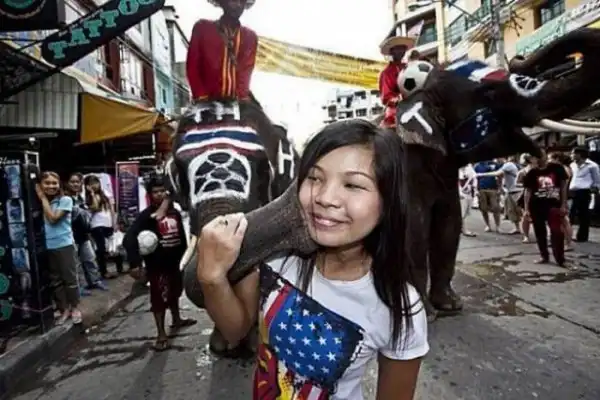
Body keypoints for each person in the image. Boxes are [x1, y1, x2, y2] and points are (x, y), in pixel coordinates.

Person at [197, 120, 428, 399]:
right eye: (315, 178)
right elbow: (235, 331)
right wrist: (212, 278)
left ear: (388, 200)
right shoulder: (276, 255)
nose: (325, 198)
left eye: (352, 185)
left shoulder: (399, 306)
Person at [123, 176, 196, 351]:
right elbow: (129, 238)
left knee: (175, 291)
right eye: (155, 192)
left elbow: (181, 237)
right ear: (149, 195)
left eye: (162, 191)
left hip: (175, 262)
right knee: (158, 298)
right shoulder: (146, 216)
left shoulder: (175, 212)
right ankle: (161, 334)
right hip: (157, 265)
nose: (159, 194)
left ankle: (177, 319)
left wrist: (186, 258)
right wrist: (134, 263)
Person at [35, 172, 83, 325]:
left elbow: (53, 218)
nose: (51, 186)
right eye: (47, 183)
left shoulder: (65, 200)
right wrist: (42, 199)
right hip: (48, 246)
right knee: (55, 281)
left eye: (54, 183)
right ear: (41, 185)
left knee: (70, 279)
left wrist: (42, 198)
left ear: (59, 184)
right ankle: (64, 309)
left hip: (65, 245)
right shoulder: (39, 202)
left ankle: (75, 308)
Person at [186, 0, 258, 101]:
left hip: (236, 103)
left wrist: (241, 101)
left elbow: (245, 73)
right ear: (222, 2)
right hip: (206, 102)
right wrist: (202, 97)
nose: (238, 5)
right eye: (233, 0)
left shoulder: (250, 37)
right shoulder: (202, 28)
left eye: (242, 1)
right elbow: (192, 67)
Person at [523, 150, 569, 266]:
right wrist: (526, 209)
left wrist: (564, 204)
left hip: (553, 205)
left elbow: (563, 186)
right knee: (540, 232)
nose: (538, 159)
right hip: (536, 206)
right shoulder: (532, 172)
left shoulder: (556, 168)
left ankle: (560, 259)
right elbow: (527, 191)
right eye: (534, 157)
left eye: (540, 156)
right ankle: (544, 256)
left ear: (544, 156)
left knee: (557, 232)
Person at [65, 173, 107, 292]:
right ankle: (80, 287)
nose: (75, 184)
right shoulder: (65, 198)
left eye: (77, 182)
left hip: (83, 235)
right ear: (67, 183)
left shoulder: (80, 198)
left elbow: (92, 210)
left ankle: (94, 281)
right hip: (71, 235)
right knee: (75, 263)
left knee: (90, 259)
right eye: (72, 182)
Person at [84, 175, 122, 279]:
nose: (94, 185)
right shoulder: (87, 197)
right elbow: (95, 207)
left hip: (108, 223)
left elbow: (112, 209)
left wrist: (114, 223)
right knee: (101, 249)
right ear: (87, 186)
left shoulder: (106, 193)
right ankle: (103, 271)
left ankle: (120, 268)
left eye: (95, 183)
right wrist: (92, 194)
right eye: (91, 184)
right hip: (96, 225)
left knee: (113, 246)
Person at [475, 156, 521, 234]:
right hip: (509, 190)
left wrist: (482, 174)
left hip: (510, 190)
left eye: (499, 158)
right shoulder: (478, 166)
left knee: (499, 208)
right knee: (512, 210)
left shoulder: (506, 164)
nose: (497, 159)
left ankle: (500, 226)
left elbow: (498, 174)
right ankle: (517, 229)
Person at [378, 32, 415, 128]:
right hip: (396, 109)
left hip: (414, 103)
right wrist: (400, 98)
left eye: (403, 48)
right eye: (397, 48)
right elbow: (386, 98)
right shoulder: (386, 73)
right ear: (391, 52)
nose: (401, 51)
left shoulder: (410, 67)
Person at [568, 146, 600, 243]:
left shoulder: (592, 166)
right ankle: (567, 235)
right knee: (570, 214)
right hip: (572, 191)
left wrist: (594, 190)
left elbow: (597, 180)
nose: (571, 155)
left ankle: (582, 237)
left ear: (579, 154)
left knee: (583, 215)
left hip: (584, 191)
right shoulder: (572, 165)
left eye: (573, 153)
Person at [549, 153, 574, 251]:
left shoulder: (564, 169)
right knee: (559, 220)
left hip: (564, 197)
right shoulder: (560, 169)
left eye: (550, 158)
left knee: (564, 220)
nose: (549, 161)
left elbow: (564, 186)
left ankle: (568, 243)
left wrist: (564, 202)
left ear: (557, 159)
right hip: (558, 196)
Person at [474, 160, 503, 232]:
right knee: (483, 208)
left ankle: (498, 226)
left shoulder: (495, 164)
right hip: (482, 189)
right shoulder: (477, 166)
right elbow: (475, 178)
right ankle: (488, 225)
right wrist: (476, 190)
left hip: (493, 188)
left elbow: (500, 176)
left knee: (495, 207)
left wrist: (500, 188)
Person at [459, 164, 477, 237]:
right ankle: (464, 230)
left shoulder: (469, 168)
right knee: (462, 212)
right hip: (462, 193)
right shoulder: (457, 170)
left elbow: (474, 178)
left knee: (466, 212)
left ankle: (460, 227)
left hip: (469, 193)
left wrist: (475, 189)